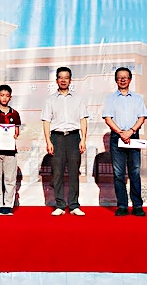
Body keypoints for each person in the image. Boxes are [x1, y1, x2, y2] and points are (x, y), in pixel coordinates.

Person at [102, 67, 147, 217]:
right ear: (116, 80)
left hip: (133, 137)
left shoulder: (137, 98)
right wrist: (120, 132)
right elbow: (108, 118)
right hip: (117, 138)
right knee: (118, 174)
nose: (122, 79)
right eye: (119, 77)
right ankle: (122, 206)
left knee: (135, 172)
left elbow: (142, 117)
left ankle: (137, 206)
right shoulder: (110, 99)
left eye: (125, 77)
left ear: (130, 79)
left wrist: (131, 131)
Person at [41, 67, 88, 216]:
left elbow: (83, 119)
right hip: (57, 138)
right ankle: (60, 205)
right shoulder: (50, 100)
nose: (63, 80)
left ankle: (74, 205)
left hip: (74, 137)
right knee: (57, 173)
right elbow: (46, 121)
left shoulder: (78, 99)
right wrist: (48, 141)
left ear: (70, 80)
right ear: (56, 80)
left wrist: (83, 139)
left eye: (66, 77)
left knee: (74, 172)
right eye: (60, 77)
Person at [0, 84, 21, 216]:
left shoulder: (15, 114)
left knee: (10, 178)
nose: (4, 98)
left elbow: (17, 130)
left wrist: (15, 135)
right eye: (2, 95)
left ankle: (8, 205)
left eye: (7, 96)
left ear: (10, 97)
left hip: (10, 150)